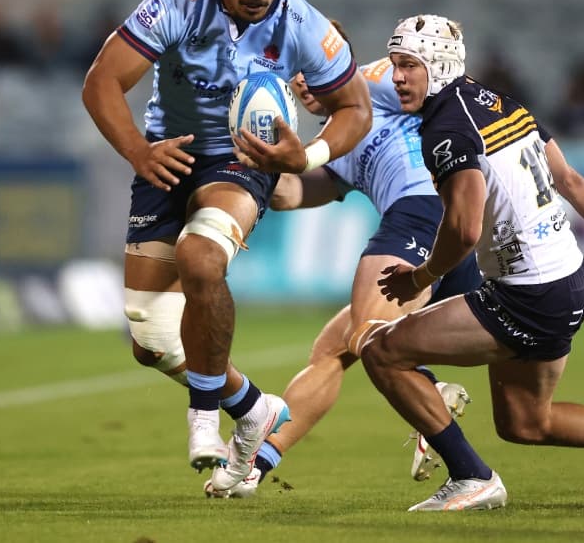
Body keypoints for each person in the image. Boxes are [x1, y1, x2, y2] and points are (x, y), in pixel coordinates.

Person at [354, 14, 584, 511]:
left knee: (382, 351)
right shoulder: (497, 101)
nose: (397, 77)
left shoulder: (446, 127)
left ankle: (471, 477)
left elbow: (464, 228)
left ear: (437, 64)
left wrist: (421, 275)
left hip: (527, 293)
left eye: (408, 65)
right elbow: (570, 180)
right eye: (395, 65)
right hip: (569, 280)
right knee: (525, 422)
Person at [81, 0, 372, 495]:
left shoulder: (305, 26)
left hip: (243, 160)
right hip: (169, 155)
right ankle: (254, 408)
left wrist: (305, 157)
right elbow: (101, 82)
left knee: (201, 260)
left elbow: (356, 108)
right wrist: (139, 151)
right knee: (151, 336)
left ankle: (204, 421)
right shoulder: (176, 2)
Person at [207, 42, 484, 498]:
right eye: (297, 75)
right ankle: (256, 466)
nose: (302, 82)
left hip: (423, 212)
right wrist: (257, 169)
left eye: (313, 70)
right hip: (439, 240)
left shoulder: (374, 81)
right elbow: (293, 194)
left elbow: (445, 90)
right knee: (335, 349)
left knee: (366, 337)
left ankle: (440, 408)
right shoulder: (331, 144)